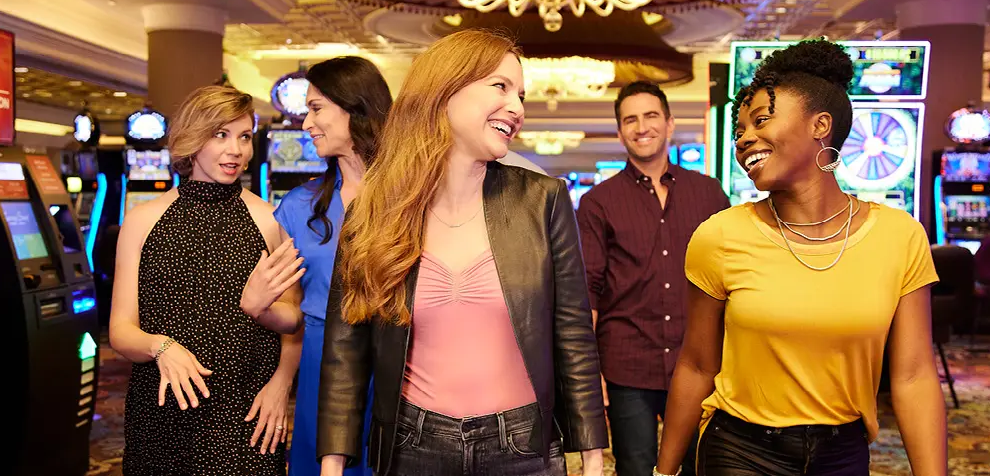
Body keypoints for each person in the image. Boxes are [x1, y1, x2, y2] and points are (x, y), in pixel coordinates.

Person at [317, 29, 608, 476]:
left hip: (523, 448)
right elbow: (345, 347)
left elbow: (573, 335)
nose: (517, 108)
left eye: (522, 95)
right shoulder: (375, 210)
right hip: (413, 446)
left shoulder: (543, 200)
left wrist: (591, 457)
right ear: (445, 90)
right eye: (501, 87)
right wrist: (333, 463)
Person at [654, 39, 947, 476]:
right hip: (740, 450)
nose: (745, 139)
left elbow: (914, 376)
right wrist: (664, 471)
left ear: (820, 125)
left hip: (843, 452)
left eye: (760, 120)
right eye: (739, 131)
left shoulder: (899, 236)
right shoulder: (720, 236)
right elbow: (697, 364)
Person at [111, 85, 306, 475]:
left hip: (247, 410)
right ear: (191, 138)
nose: (236, 150)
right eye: (221, 135)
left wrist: (280, 385)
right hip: (164, 413)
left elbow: (294, 322)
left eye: (244, 136)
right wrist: (160, 347)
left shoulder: (270, 220)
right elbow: (119, 330)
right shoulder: (141, 221)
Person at [575, 80, 728, 476]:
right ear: (620, 130)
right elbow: (587, 291)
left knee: (702, 466)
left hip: (699, 361)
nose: (641, 127)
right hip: (628, 364)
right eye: (630, 120)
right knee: (636, 468)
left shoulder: (709, 194)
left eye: (650, 116)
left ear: (670, 124)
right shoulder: (597, 203)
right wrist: (591, 378)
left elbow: (731, 281)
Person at [273, 56, 392, 476]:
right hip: (321, 364)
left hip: (399, 361)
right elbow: (290, 312)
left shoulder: (412, 196)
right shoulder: (299, 206)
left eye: (316, 108)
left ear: (355, 106)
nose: (306, 124)